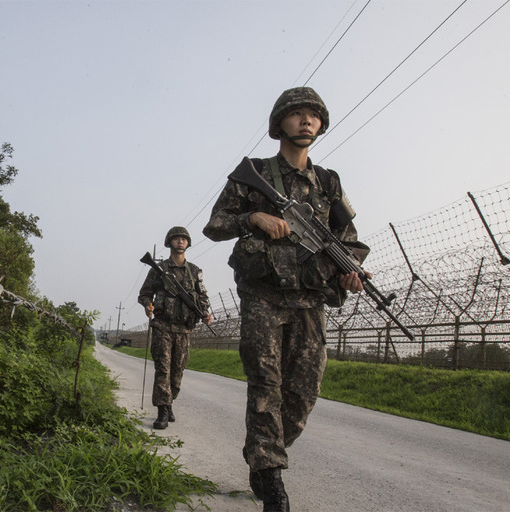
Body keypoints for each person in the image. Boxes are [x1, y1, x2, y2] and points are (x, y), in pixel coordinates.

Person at [202, 87, 370, 512]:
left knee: (303, 394)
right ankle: (273, 479)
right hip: (263, 295)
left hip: (310, 301)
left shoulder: (329, 182)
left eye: (313, 115)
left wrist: (350, 271)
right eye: (297, 114)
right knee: (266, 385)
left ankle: (261, 454)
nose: (306, 121)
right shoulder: (255, 172)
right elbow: (216, 225)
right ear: (280, 123)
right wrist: (252, 217)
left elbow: (348, 242)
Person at [137, 226, 213, 430]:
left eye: (184, 239)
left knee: (177, 372)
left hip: (184, 329)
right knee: (163, 369)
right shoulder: (158, 269)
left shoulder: (195, 271)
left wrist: (205, 312)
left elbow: (203, 297)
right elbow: (144, 294)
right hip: (162, 325)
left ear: (188, 243)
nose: (180, 242)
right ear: (169, 242)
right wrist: (147, 305)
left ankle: (169, 401)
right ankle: (162, 411)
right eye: (176, 239)